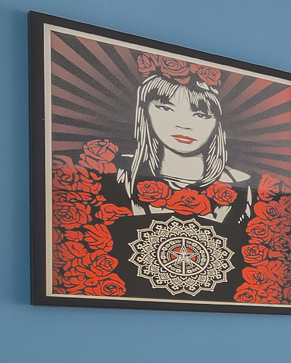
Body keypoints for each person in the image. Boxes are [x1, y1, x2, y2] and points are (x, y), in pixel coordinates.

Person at [102, 56, 263, 300]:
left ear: (217, 123)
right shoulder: (115, 176)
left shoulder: (248, 187)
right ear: (144, 112)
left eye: (200, 114)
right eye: (165, 108)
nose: (183, 125)